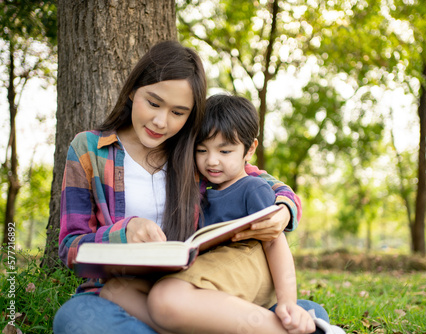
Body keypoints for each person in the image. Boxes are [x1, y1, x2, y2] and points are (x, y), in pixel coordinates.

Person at [53, 40, 333, 334]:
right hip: (125, 293)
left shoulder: (195, 152)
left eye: (178, 112)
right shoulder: (89, 148)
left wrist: (285, 210)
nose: (161, 122)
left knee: (306, 310)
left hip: (194, 286)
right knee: (75, 319)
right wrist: (124, 232)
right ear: (133, 89)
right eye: (153, 103)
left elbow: (262, 182)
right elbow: (70, 247)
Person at [100, 94, 345, 334]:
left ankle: (313, 331)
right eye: (202, 150)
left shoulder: (253, 187)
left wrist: (288, 301)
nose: (212, 161)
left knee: (166, 298)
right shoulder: (199, 190)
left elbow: (275, 244)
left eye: (224, 151)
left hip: (245, 262)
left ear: (249, 150)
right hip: (208, 269)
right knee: (115, 290)